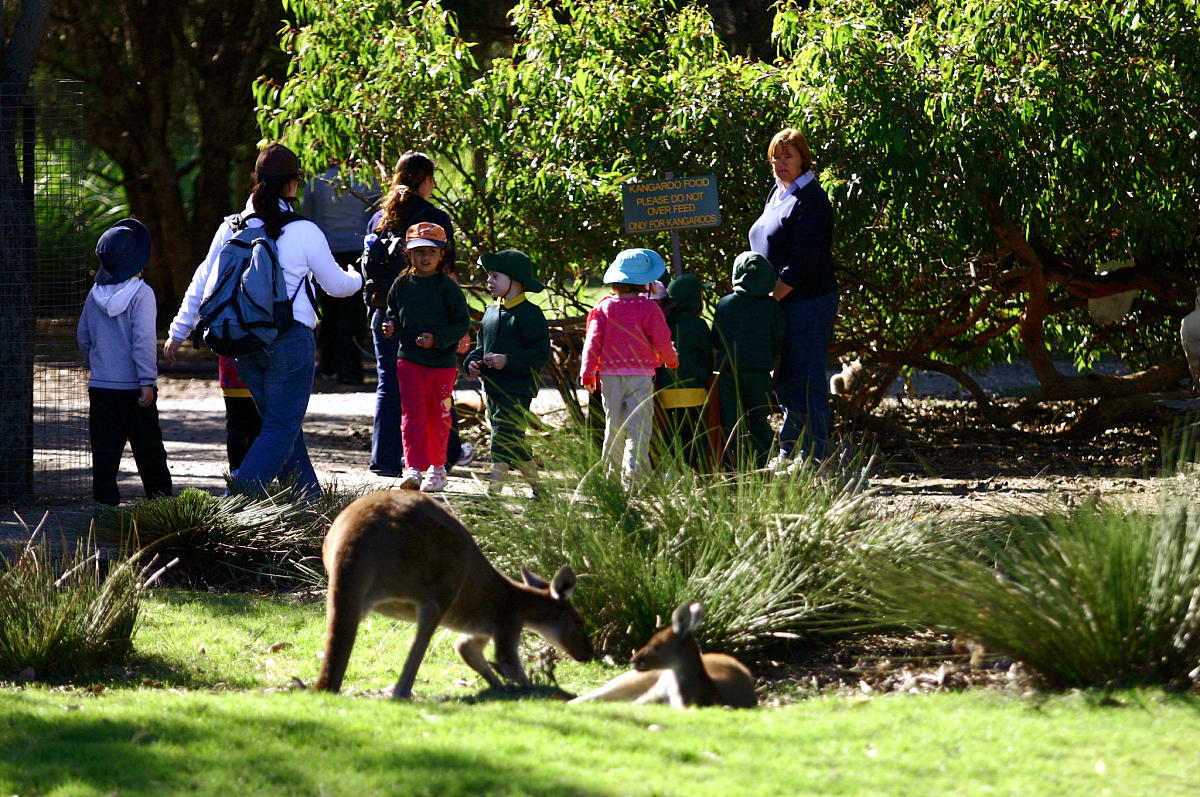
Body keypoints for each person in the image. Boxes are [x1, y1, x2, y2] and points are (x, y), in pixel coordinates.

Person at [164, 142, 363, 498]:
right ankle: (234, 501)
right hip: (290, 342)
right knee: (280, 427)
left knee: (280, 428)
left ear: (257, 180)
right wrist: (358, 277)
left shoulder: (231, 227)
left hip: (245, 344)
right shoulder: (304, 230)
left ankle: (310, 504)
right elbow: (336, 287)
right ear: (292, 184)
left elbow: (203, 279)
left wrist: (178, 330)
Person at [361, 151, 471, 477]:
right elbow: (447, 271)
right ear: (424, 179)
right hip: (428, 318)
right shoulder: (434, 217)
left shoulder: (379, 218)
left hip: (384, 312)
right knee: (433, 386)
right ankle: (442, 456)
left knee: (390, 385)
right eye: (432, 177)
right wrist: (458, 320)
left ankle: (385, 460)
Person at [748, 128, 837, 464]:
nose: (780, 162)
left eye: (788, 156)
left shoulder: (811, 199)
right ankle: (789, 451)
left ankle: (817, 456)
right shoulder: (777, 192)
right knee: (785, 380)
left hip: (806, 302)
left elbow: (804, 261)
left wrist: (772, 298)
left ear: (803, 159)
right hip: (780, 302)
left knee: (807, 377)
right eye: (776, 155)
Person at [77, 218, 172, 505]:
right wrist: (147, 381)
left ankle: (104, 509)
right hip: (133, 388)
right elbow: (142, 342)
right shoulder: (142, 294)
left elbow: (83, 336)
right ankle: (163, 507)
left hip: (101, 387)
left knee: (105, 453)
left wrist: (99, 364)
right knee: (149, 451)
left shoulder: (94, 295)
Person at [380, 222, 470, 492]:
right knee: (412, 416)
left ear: (442, 255)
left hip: (441, 365)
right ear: (409, 254)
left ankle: (437, 468)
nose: (425, 257)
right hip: (409, 361)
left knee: (439, 416)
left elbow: (461, 323)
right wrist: (390, 325)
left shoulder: (448, 287)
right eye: (419, 251)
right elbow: (392, 311)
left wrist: (437, 340)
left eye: (432, 251)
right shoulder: (402, 284)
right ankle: (414, 468)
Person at [579, 248, 679, 487]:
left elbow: (592, 342)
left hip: (610, 376)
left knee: (614, 426)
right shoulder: (649, 309)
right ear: (645, 283)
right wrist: (671, 359)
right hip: (641, 375)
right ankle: (633, 480)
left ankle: (610, 479)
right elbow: (662, 340)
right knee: (639, 429)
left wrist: (588, 373)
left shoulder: (603, 307)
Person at [464, 250, 551, 496]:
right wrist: (472, 363)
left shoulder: (531, 314)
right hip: (492, 388)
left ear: (516, 280)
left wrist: (508, 360)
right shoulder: (491, 313)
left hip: (518, 389)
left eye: (495, 276)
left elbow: (540, 354)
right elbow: (479, 348)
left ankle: (493, 496)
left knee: (501, 438)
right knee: (513, 440)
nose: (489, 281)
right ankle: (540, 491)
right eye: (488, 276)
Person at [304, 165, 378, 385]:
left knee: (329, 310)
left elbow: (308, 215)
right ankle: (351, 369)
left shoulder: (317, 180)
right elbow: (376, 214)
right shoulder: (367, 180)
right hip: (357, 249)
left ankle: (327, 365)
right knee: (354, 312)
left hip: (327, 250)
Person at [711, 251, 785, 469]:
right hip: (759, 373)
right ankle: (760, 465)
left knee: (732, 422)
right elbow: (778, 340)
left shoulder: (725, 304)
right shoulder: (772, 307)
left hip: (728, 373)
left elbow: (716, 339)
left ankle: (734, 468)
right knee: (761, 419)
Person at [653, 274, 714, 472]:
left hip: (667, 390)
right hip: (695, 389)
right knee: (695, 433)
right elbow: (707, 356)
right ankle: (693, 471)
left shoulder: (664, 323)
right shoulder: (698, 325)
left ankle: (672, 471)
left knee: (673, 432)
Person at [218, 355, 262, 471]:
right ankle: (254, 475)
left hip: (230, 373)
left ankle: (236, 473)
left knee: (235, 426)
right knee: (257, 427)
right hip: (259, 376)